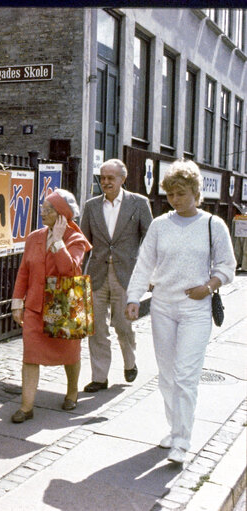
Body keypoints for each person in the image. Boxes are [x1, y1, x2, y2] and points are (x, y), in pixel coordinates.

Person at [125, 159, 235, 464]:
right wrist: (134, 298)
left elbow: (228, 266)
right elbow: (144, 263)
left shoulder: (214, 225)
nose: (176, 199)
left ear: (196, 193)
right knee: (167, 375)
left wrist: (209, 286)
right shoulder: (160, 225)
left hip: (195, 308)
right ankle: (175, 429)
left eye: (182, 193)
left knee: (186, 376)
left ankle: (183, 441)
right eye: (171, 194)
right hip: (162, 306)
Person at [10, 189, 92, 423]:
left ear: (62, 215)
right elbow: (24, 271)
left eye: (48, 210)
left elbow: (70, 270)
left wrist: (57, 242)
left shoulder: (75, 239)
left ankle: (72, 391)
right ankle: (26, 407)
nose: (42, 213)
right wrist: (18, 302)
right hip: (35, 307)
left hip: (63, 308)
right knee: (30, 355)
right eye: (43, 208)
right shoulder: (34, 237)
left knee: (69, 354)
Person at [80, 159, 153, 393]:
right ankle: (99, 377)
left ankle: (130, 362)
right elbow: (83, 243)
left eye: (111, 178)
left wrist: (147, 272)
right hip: (97, 274)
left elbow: (151, 241)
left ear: (123, 178)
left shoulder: (139, 203)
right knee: (97, 328)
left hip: (126, 275)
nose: (105, 182)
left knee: (123, 325)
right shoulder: (91, 206)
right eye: (102, 178)